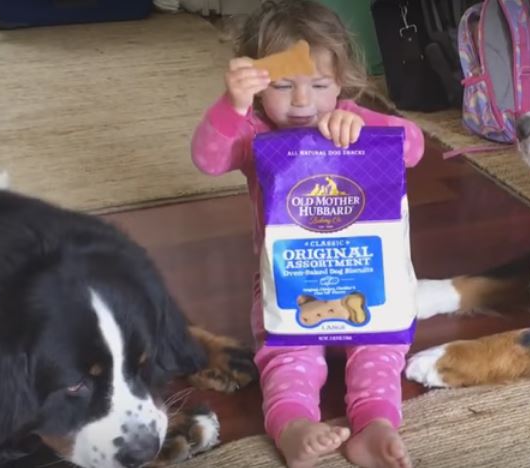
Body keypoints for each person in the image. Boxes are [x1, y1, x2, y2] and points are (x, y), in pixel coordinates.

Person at [190, 1, 424, 467]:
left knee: (382, 347)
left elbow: (414, 147)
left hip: (363, 277)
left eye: (320, 85)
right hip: (289, 283)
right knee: (288, 356)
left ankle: (375, 424)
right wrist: (232, 105)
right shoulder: (252, 133)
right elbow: (208, 158)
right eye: (282, 85)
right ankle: (293, 426)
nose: (302, 102)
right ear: (259, 87)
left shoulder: (352, 118)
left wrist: (363, 129)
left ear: (341, 81)